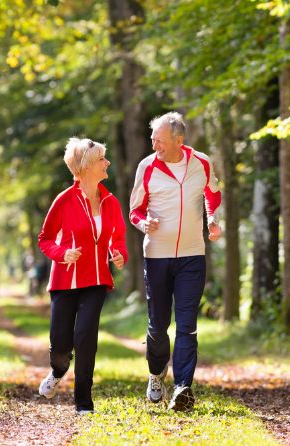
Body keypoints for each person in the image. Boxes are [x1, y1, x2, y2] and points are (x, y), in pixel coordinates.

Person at [130, 112, 222, 411]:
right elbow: (135, 211)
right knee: (158, 326)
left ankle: (183, 387)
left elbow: (213, 193)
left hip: (192, 255)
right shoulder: (147, 166)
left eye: (159, 139)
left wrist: (212, 218)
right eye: (152, 138)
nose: (154, 144)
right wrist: (144, 224)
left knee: (187, 324)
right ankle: (157, 374)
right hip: (157, 255)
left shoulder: (201, 162)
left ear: (178, 141)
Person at [37, 138, 128, 415]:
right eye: (102, 159)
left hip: (97, 279)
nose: (107, 163)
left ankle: (83, 403)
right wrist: (62, 253)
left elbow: (118, 237)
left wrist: (119, 253)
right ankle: (57, 370)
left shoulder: (110, 201)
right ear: (87, 166)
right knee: (61, 347)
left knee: (85, 337)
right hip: (65, 281)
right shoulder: (64, 200)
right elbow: (45, 238)